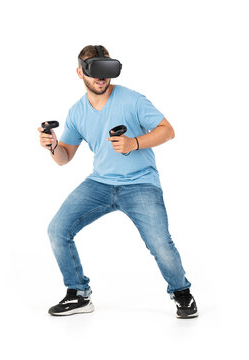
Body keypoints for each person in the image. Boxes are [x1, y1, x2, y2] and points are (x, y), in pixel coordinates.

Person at [37, 45, 198, 319]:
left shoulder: (132, 100)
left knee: (160, 243)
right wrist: (52, 146)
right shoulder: (77, 112)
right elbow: (65, 158)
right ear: (80, 72)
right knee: (57, 230)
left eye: (106, 70)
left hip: (141, 183)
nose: (101, 77)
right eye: (94, 70)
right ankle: (78, 294)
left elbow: (168, 131)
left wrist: (133, 143)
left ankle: (182, 293)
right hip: (99, 184)